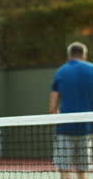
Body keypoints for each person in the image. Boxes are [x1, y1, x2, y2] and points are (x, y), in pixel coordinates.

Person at [50, 42, 93, 179]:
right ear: (84, 55)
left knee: (64, 169)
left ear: (69, 55)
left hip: (64, 129)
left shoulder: (60, 72)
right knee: (82, 171)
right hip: (86, 129)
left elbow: (52, 109)